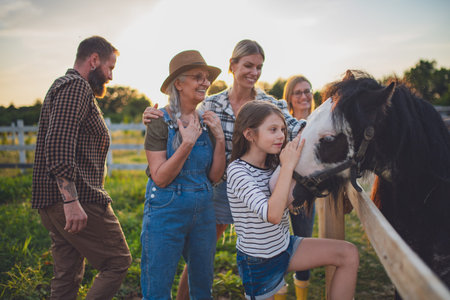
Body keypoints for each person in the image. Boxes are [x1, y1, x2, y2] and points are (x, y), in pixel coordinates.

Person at [142, 40, 306, 299]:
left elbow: (294, 127)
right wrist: (164, 124)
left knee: (211, 268)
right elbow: (164, 165)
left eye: (259, 67)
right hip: (201, 195)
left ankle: (270, 288)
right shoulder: (211, 105)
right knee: (177, 273)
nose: (254, 72)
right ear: (233, 66)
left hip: (241, 188)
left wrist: (322, 124)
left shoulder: (262, 105)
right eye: (248, 65)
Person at [31, 36, 132, 300]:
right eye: (110, 67)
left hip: (56, 202)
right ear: (94, 60)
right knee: (117, 261)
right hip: (78, 200)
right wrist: (71, 199)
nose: (110, 76)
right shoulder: (76, 86)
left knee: (67, 274)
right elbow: (58, 143)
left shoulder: (64, 87)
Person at [227, 101, 359, 300]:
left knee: (348, 254)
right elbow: (272, 215)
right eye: (272, 130)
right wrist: (288, 166)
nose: (281, 135)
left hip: (284, 247)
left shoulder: (273, 163)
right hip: (259, 263)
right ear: (249, 135)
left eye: (282, 129)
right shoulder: (238, 171)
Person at [140, 50, 226, 299]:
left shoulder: (207, 122)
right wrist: (186, 144)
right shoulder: (158, 121)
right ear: (178, 83)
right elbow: (160, 177)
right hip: (166, 211)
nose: (206, 82)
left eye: (207, 77)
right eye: (198, 76)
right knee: (157, 290)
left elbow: (214, 176)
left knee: (202, 289)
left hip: (204, 210)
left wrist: (219, 140)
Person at [283, 75, 316, 299]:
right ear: (289, 98)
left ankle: (301, 293)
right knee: (277, 244)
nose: (304, 96)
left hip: (305, 196)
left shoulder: (320, 123)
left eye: (307, 91)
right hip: (279, 191)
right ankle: (277, 291)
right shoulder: (282, 122)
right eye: (298, 92)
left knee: (304, 241)